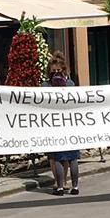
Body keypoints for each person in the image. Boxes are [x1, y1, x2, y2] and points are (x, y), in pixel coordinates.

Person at [46, 59, 81, 196]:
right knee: (72, 157)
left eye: (57, 71)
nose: (55, 73)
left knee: (60, 157)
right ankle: (75, 187)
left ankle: (60, 187)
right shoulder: (70, 84)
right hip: (70, 124)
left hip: (55, 126)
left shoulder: (46, 86)